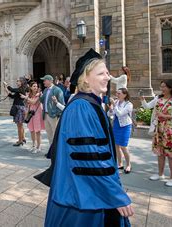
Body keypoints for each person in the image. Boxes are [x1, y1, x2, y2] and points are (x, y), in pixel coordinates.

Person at [38, 48, 133, 226]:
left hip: (92, 190)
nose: (108, 77)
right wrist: (115, 194)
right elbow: (89, 158)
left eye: (107, 72)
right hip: (85, 197)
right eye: (101, 73)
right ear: (85, 79)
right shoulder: (81, 107)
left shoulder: (91, 104)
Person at [142, 79, 172, 187]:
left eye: (164, 87)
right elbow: (147, 106)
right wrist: (142, 99)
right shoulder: (158, 98)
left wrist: (167, 116)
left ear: (170, 88)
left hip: (170, 132)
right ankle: (160, 174)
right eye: (161, 87)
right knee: (160, 153)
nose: (162, 89)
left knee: (171, 155)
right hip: (159, 130)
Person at [108, 88, 134, 174]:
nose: (117, 95)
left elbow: (120, 114)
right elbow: (110, 114)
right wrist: (111, 109)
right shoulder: (116, 102)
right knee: (116, 146)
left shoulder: (129, 104)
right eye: (117, 93)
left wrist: (114, 106)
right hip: (116, 125)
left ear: (124, 95)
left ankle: (128, 165)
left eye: (119, 93)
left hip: (125, 126)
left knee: (123, 146)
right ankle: (120, 163)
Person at [39, 75, 65, 147]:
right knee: (49, 133)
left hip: (53, 116)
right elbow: (42, 101)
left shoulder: (57, 90)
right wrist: (39, 95)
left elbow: (62, 103)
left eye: (45, 80)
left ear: (50, 81)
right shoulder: (45, 90)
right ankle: (51, 151)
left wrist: (57, 114)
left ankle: (56, 151)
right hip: (46, 115)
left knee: (55, 134)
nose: (43, 82)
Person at [3, 77, 28, 146]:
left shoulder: (21, 89)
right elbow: (12, 96)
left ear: (22, 82)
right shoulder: (20, 90)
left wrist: (7, 84)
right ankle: (23, 138)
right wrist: (6, 90)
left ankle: (20, 141)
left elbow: (12, 89)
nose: (17, 82)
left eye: (18, 81)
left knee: (19, 126)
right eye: (17, 81)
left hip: (19, 108)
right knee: (20, 125)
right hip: (19, 108)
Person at [25, 81, 44, 153]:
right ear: (30, 87)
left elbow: (34, 102)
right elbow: (28, 104)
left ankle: (38, 146)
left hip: (37, 114)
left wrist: (26, 98)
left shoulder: (39, 94)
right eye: (34, 86)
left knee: (37, 131)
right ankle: (33, 145)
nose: (35, 87)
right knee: (32, 130)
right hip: (31, 114)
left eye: (36, 86)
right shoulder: (29, 95)